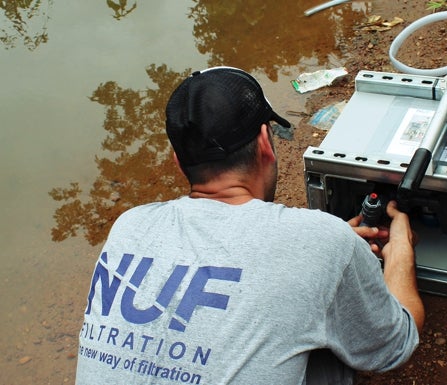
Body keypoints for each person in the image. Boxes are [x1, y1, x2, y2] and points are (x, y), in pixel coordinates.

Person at [75, 66, 425, 385]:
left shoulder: (129, 226)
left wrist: (320, 257)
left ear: (178, 160)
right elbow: (396, 345)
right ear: (263, 142)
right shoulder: (324, 239)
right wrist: (399, 256)